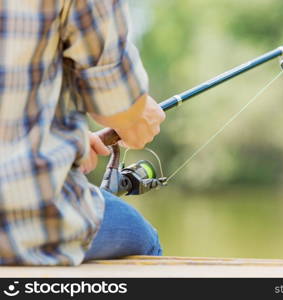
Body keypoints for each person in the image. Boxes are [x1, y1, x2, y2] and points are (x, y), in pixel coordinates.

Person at [0, 0, 165, 265]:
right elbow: (122, 107)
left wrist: (60, 133)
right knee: (144, 237)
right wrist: (139, 115)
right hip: (25, 224)